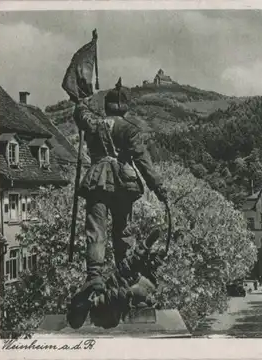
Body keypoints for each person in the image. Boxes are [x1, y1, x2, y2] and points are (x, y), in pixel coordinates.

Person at [67, 78, 167, 327]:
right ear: (124, 108)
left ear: (108, 106)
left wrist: (82, 101)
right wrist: (159, 189)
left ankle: (94, 277)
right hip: (123, 183)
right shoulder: (129, 129)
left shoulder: (93, 123)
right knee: (122, 232)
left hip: (97, 180)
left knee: (95, 231)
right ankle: (128, 277)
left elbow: (81, 113)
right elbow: (144, 162)